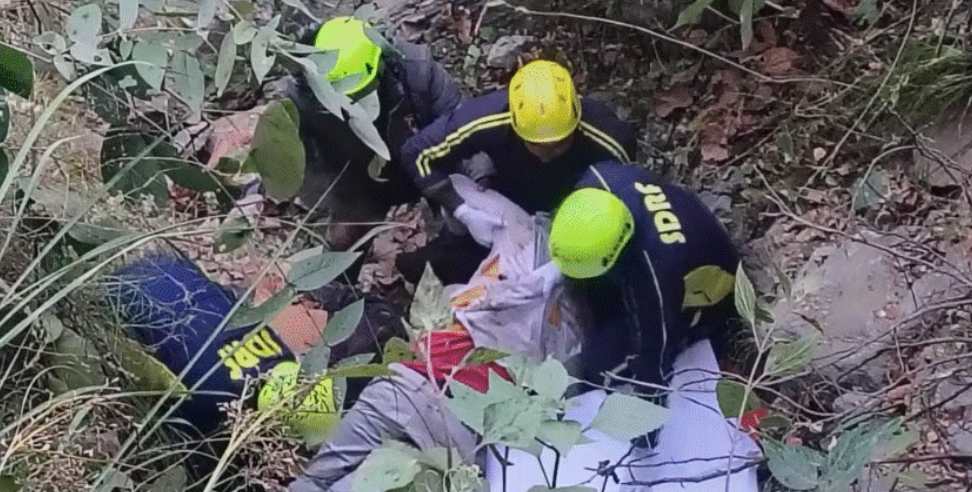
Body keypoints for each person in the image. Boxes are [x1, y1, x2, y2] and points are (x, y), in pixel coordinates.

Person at [395, 59, 637, 282]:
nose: (547, 154)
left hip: (575, 216)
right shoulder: (489, 118)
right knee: (434, 267)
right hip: (508, 204)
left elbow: (626, 200)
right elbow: (417, 153)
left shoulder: (610, 140)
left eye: (559, 144)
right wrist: (463, 210)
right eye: (536, 145)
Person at [547, 161, 739, 391]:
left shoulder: (657, 277)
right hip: (673, 234)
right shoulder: (599, 179)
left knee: (602, 366)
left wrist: (646, 402)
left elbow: (654, 356)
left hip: (704, 296)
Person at [278, 16, 463, 249]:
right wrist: (335, 204)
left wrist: (472, 192)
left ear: (381, 66)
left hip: (426, 164)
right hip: (358, 180)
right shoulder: (301, 101)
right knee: (342, 238)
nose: (358, 105)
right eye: (347, 99)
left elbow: (463, 130)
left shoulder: (417, 71)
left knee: (461, 222)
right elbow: (301, 170)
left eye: (363, 92)